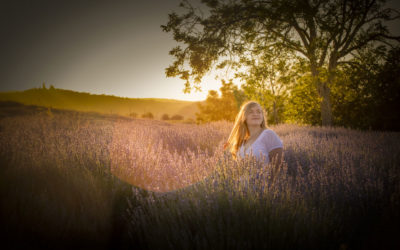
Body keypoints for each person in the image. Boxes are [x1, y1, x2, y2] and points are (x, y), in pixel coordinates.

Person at [224, 100, 283, 168]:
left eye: (258, 112)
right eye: (251, 112)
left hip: (263, 178)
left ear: (262, 117)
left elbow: (278, 169)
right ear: (244, 117)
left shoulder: (268, 134)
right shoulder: (243, 141)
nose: (255, 114)